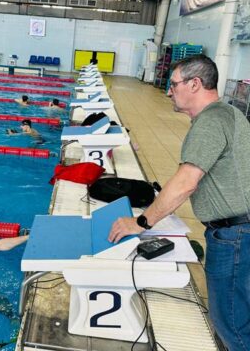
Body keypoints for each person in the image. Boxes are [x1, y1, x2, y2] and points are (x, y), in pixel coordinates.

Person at [107, 54, 250, 351]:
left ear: (194, 84)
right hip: (241, 230)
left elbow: (186, 182)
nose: (169, 91)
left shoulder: (211, 121)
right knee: (241, 314)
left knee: (231, 324)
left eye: (173, 84)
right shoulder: (228, 113)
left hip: (235, 236)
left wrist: (140, 222)